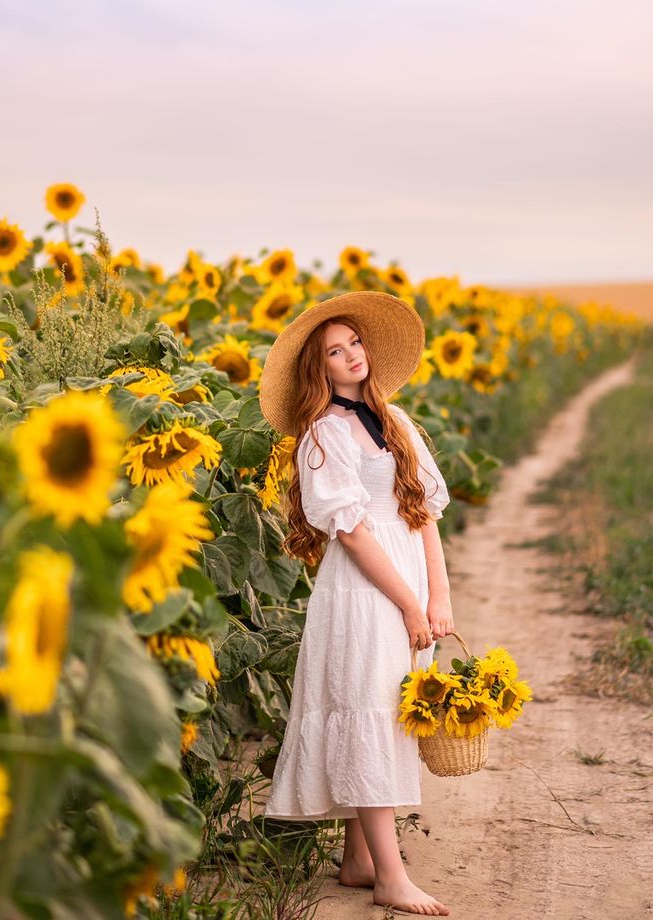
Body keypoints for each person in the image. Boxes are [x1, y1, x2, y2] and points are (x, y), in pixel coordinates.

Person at [258, 291, 454, 916]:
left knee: (384, 710)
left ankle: (357, 861)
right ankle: (391, 878)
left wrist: (437, 596)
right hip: (364, 589)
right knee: (367, 708)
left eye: (355, 344)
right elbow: (352, 531)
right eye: (334, 352)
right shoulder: (324, 433)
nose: (351, 357)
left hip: (407, 585)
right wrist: (408, 603)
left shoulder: (396, 423)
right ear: (320, 369)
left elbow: (423, 517)